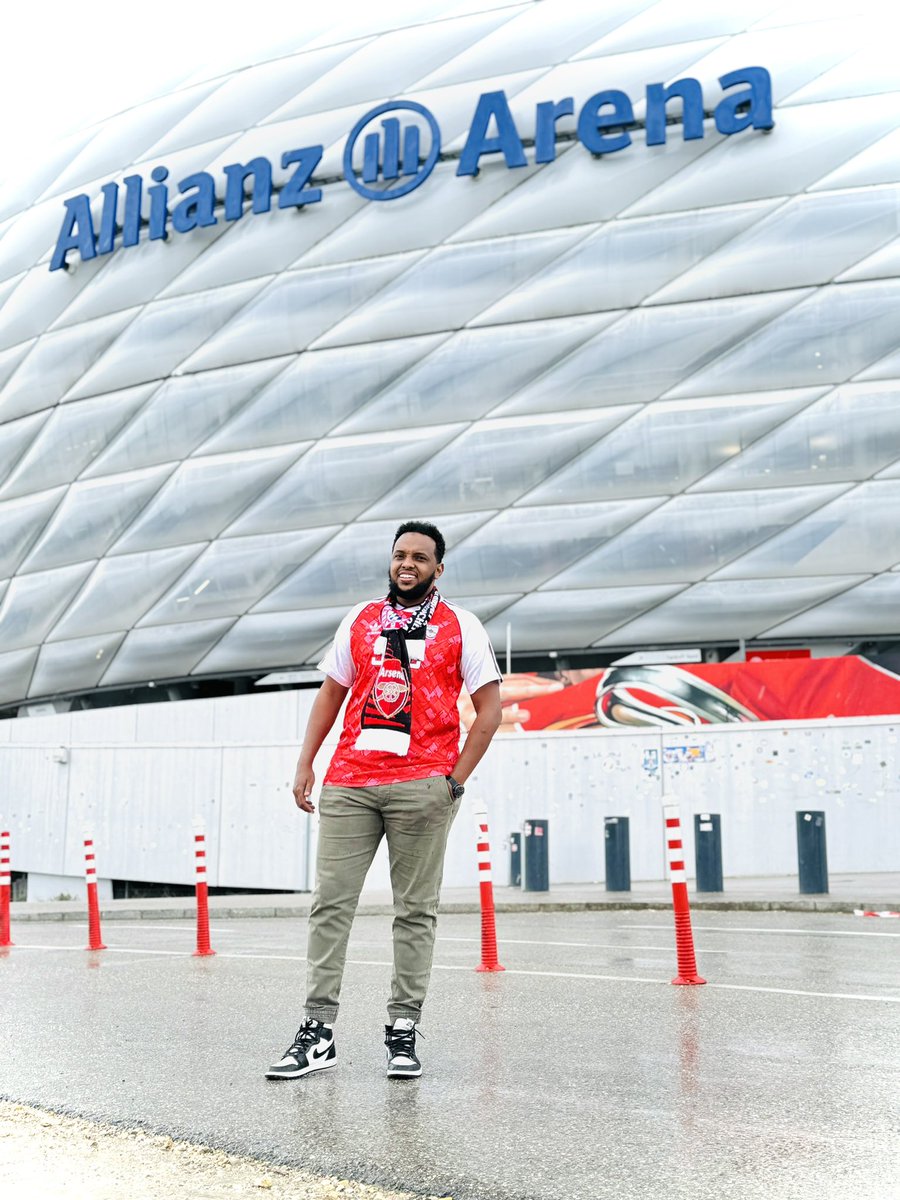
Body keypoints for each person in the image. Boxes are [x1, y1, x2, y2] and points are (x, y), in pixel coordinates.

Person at [266, 520, 502, 1082]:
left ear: (438, 568)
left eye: (421, 557)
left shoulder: (460, 626)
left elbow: (489, 711)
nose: (408, 564)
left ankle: (402, 1030)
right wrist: (307, 761)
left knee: (414, 912)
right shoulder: (361, 619)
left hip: (423, 785)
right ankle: (317, 1032)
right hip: (350, 781)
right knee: (330, 906)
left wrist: (453, 782)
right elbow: (332, 693)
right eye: (400, 555)